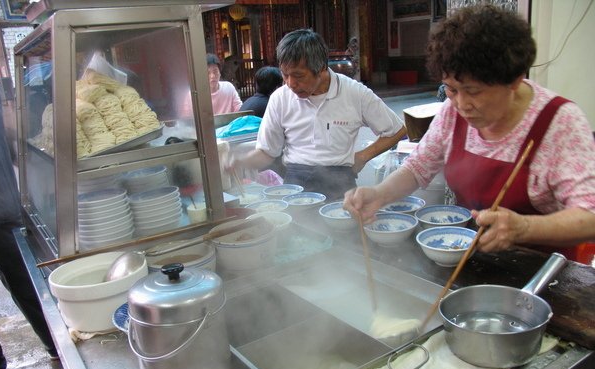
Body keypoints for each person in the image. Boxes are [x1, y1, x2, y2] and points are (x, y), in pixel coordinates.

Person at [344, 4, 595, 259]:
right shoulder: (452, 113)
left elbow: (590, 216)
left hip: (543, 272)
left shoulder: (559, 122)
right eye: (451, 89)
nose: (462, 105)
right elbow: (418, 167)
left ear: (515, 80)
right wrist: (379, 194)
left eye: (473, 91)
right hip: (470, 255)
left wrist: (526, 228)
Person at [226, 29, 407, 201]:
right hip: (295, 183)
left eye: (298, 76)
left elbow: (397, 130)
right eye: (285, 75)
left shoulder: (355, 93)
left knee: (343, 232)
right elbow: (267, 152)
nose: (290, 83)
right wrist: (241, 162)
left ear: (321, 67)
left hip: (340, 183)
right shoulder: (279, 98)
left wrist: (362, 156)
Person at [0, 85, 58, 369]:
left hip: (4, 210)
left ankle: (55, 344)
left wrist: (35, 139)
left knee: (29, 284)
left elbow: (6, 137)